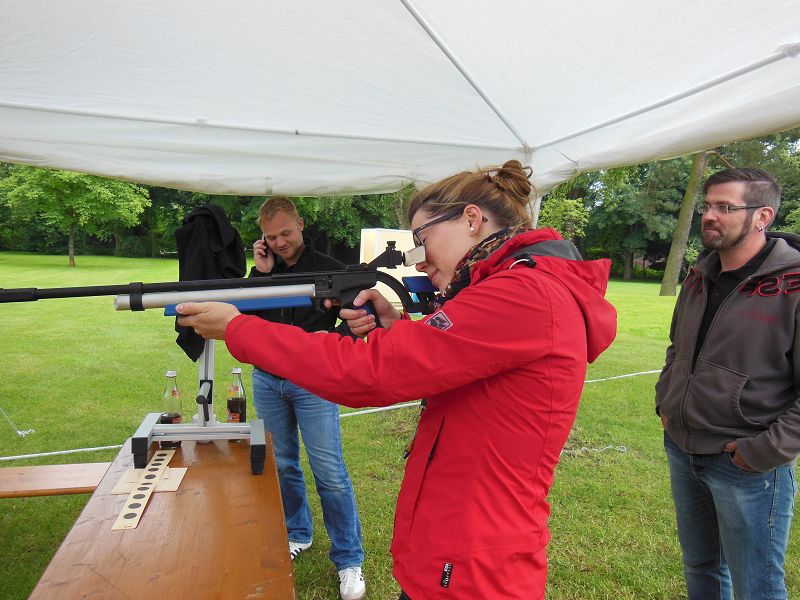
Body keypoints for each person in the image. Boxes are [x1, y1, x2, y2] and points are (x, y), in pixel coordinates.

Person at [176, 160, 617, 599]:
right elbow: (454, 363)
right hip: (462, 551)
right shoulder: (519, 288)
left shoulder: (522, 293)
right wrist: (397, 326)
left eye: (422, 241)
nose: (419, 261)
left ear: (471, 219)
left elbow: (371, 373)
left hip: (474, 567)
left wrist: (239, 329)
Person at [655, 168, 800, 600]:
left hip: (746, 464)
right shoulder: (700, 274)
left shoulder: (793, 285)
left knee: (757, 586)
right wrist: (666, 402)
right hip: (683, 449)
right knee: (701, 567)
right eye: (707, 205)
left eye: (725, 207)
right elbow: (677, 347)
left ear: (762, 217)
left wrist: (766, 450)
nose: (709, 216)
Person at [248, 197, 366, 600]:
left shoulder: (330, 268)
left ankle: (349, 559)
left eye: (285, 233)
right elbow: (249, 323)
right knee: (282, 464)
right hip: (268, 380)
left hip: (313, 381)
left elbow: (358, 322)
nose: (280, 242)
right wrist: (261, 275)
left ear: (300, 224)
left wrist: (329, 339)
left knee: (329, 471)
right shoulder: (263, 271)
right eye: (271, 237)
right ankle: (298, 532)